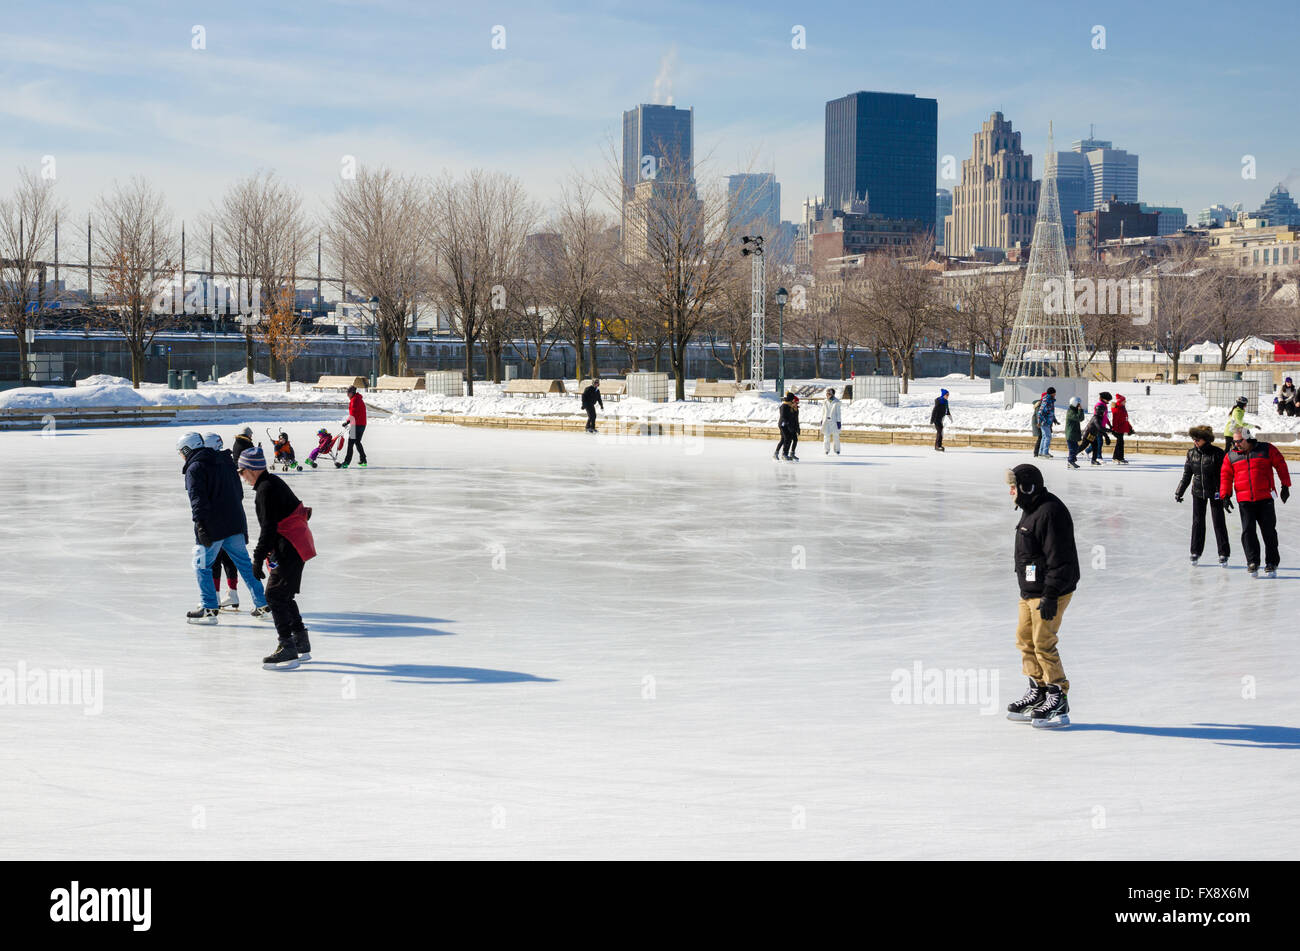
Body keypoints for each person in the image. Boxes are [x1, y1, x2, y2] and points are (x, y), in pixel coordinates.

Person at [1003, 464, 1079, 729]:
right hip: (1030, 591)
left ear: (1027, 486)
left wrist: (1050, 595)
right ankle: (1039, 690)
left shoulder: (1050, 512)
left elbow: (1061, 559)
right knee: (1025, 640)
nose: (1010, 491)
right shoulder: (1031, 509)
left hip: (1051, 591)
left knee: (1043, 641)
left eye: (1014, 486)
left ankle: (1058, 695)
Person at [177, 432, 269, 625]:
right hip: (234, 523)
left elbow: (198, 501)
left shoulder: (195, 468)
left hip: (212, 527)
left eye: (181, 452)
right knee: (244, 564)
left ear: (187, 449)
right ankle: (263, 604)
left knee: (201, 565)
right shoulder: (224, 462)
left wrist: (201, 526)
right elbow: (238, 492)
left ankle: (209, 608)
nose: (181, 456)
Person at [238, 448, 317, 671]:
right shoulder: (271, 483)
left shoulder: (265, 489)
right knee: (284, 593)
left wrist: (257, 557)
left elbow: (268, 528)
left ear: (252, 469)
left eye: (242, 471)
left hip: (291, 544)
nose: (241, 476)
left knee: (273, 594)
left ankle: (287, 647)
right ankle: (301, 641)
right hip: (295, 543)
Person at [1219, 425, 1291, 577]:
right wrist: (1225, 495)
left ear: (1248, 438)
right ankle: (1252, 561)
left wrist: (1285, 485)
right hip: (1245, 500)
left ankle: (1271, 562)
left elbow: (1280, 464)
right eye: (1234, 441)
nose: (1236, 444)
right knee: (1248, 532)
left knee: (1269, 532)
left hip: (1265, 499)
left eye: (1239, 441)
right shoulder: (1231, 456)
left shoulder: (1266, 449)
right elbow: (1226, 475)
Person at [1175, 425, 1231, 567]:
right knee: (1198, 522)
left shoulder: (1218, 453)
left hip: (1215, 492)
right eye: (1193, 439)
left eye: (1197, 439)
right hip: (1198, 492)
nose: (1195, 441)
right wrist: (1179, 491)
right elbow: (1187, 474)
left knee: (1218, 522)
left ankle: (1223, 553)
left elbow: (1224, 476)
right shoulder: (1191, 453)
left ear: (1206, 439)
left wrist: (1225, 495)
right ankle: (1195, 551)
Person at [203, 433, 240, 609]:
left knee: (214, 558)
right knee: (229, 557)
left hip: (217, 518)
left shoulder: (210, 464)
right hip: (233, 517)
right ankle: (232, 594)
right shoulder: (229, 461)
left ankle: (215, 597)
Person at [338, 385, 368, 468]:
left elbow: (353, 414)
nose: (347, 394)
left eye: (348, 393)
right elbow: (354, 414)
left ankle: (346, 462)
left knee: (351, 443)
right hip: (362, 424)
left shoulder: (354, 400)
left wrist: (347, 422)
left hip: (356, 425)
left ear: (352, 393)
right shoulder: (358, 399)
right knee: (357, 442)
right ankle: (363, 460)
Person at [1086, 391, 1112, 466]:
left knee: (1097, 442)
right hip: (1098, 426)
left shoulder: (1104, 405)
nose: (1108, 401)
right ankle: (1098, 457)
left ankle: (1087, 451)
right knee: (1099, 442)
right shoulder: (1099, 405)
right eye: (1108, 400)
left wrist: (1109, 424)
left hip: (1102, 426)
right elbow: (1097, 417)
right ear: (1104, 399)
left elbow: (1105, 417)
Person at [774, 392, 798, 461]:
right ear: (790, 399)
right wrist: (787, 423)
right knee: (786, 438)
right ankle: (783, 454)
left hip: (787, 425)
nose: (794, 401)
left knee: (787, 439)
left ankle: (784, 454)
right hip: (783, 425)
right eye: (793, 399)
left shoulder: (789, 406)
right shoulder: (784, 406)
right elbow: (783, 416)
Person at [1110, 393, 1133, 465]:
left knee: (1120, 443)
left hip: (1121, 429)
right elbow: (1115, 421)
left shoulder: (1123, 409)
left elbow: (1125, 420)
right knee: (1119, 443)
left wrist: (1130, 429)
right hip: (1118, 430)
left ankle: (1120, 458)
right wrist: (1115, 429)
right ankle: (1116, 458)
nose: (1125, 402)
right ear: (1120, 401)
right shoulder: (1117, 409)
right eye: (1124, 401)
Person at [1036, 387, 1058, 458]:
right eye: (1054, 393)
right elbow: (1040, 412)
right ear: (1051, 393)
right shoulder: (1046, 401)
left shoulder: (1050, 401)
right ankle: (1044, 453)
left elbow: (1051, 412)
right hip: (1044, 422)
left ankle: (1041, 452)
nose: (1055, 394)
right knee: (1048, 437)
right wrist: (1039, 422)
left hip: (1047, 422)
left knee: (1045, 437)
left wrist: (1055, 420)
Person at [1064, 397, 1084, 470]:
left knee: (1075, 448)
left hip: (1074, 433)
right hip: (1071, 433)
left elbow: (1081, 418)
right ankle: (1070, 462)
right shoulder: (1071, 411)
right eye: (1078, 403)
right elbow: (1079, 418)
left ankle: (1071, 461)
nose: (1080, 405)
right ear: (1075, 403)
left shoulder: (1075, 410)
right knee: (1072, 449)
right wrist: (1080, 410)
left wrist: (1080, 410)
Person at [822, 387, 843, 455]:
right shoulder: (825, 401)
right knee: (826, 436)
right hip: (826, 422)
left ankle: (837, 450)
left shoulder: (836, 402)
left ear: (832, 394)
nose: (827, 395)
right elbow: (823, 412)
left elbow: (838, 413)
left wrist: (838, 421)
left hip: (834, 421)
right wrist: (822, 419)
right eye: (827, 393)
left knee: (836, 436)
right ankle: (826, 450)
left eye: (829, 393)